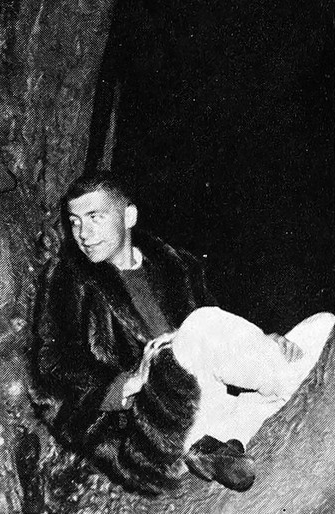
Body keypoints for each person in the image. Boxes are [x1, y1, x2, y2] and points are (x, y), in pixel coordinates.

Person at [35, 172, 333, 495]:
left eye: (95, 217)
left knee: (322, 323)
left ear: (129, 216)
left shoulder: (176, 265)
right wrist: (125, 385)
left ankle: (217, 446)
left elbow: (223, 337)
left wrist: (264, 341)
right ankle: (274, 385)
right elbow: (50, 377)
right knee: (201, 326)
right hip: (153, 430)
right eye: (75, 222)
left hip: (213, 400)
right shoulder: (69, 281)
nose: (83, 233)